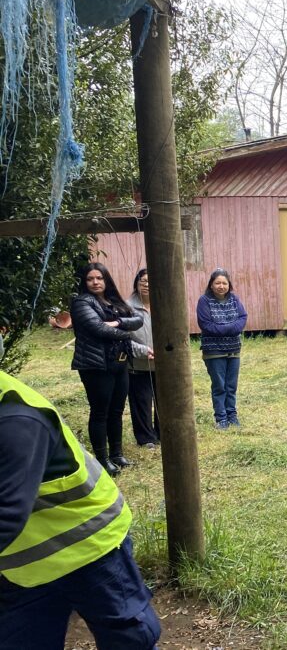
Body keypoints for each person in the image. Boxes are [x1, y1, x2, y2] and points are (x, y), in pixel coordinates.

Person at [0, 331, 162, 649]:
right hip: (24, 567)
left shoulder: (15, 416)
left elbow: (6, 513)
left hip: (89, 547)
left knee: (127, 640)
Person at [71, 262, 143, 476]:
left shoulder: (114, 300)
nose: (95, 282)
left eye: (99, 278)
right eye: (90, 279)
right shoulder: (82, 302)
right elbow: (99, 329)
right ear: (85, 282)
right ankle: (102, 459)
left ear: (106, 279)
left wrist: (118, 322)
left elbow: (138, 319)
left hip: (119, 362)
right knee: (100, 412)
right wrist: (126, 332)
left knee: (117, 411)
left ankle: (117, 454)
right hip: (95, 365)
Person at [196, 268, 247, 430]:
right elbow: (206, 325)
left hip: (234, 349)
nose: (221, 286)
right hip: (214, 351)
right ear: (211, 285)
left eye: (224, 283)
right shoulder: (204, 301)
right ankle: (221, 418)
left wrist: (224, 328)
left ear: (229, 285)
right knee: (219, 386)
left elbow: (242, 318)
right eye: (217, 283)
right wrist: (230, 328)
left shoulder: (234, 299)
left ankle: (232, 416)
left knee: (231, 386)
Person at [127, 269, 160, 448]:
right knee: (141, 402)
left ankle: (162, 433)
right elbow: (123, 339)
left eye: (151, 281)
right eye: (143, 281)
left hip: (163, 364)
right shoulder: (126, 307)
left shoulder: (163, 303)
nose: (147, 284)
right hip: (138, 364)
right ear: (136, 284)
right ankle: (146, 438)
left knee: (164, 401)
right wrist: (142, 350)